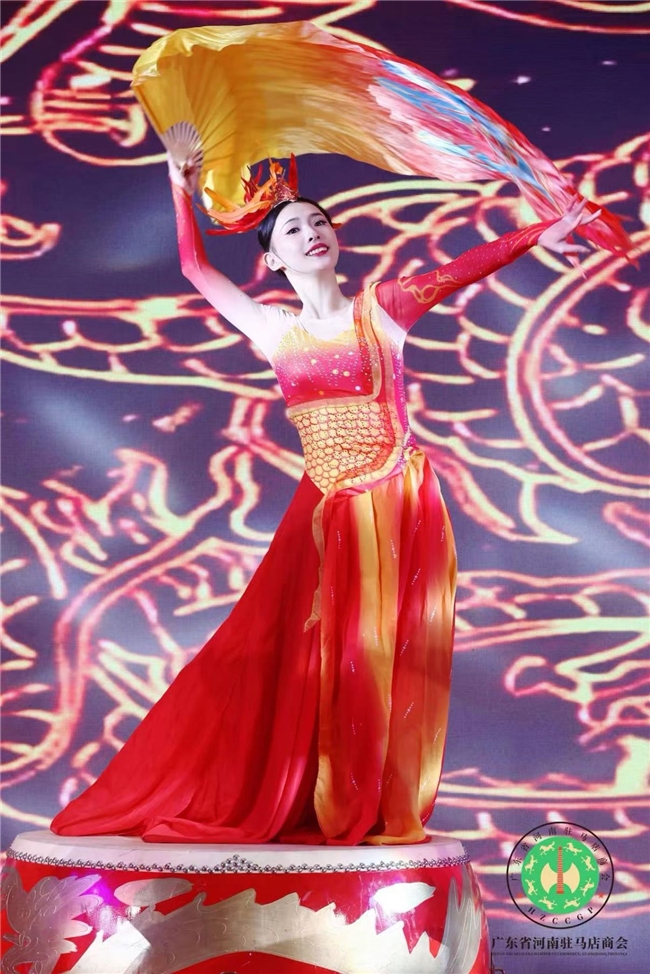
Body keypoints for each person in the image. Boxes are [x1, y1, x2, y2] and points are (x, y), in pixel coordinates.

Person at [50, 157, 599, 846]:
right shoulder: (273, 329)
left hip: (394, 501)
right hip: (323, 510)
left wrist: (537, 235)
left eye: (318, 223)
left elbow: (463, 268)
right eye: (293, 230)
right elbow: (195, 268)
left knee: (381, 657)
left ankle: (366, 802)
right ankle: (303, 791)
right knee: (291, 653)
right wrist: (178, 185)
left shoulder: (383, 310)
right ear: (273, 260)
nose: (311, 233)